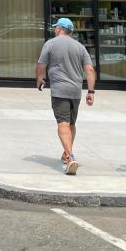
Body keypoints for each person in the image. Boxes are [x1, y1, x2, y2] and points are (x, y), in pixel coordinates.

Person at [36, 17, 96, 175]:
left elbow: (41, 65)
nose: (55, 30)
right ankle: (66, 152)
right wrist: (91, 91)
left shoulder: (50, 43)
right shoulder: (80, 47)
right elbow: (89, 70)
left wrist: (40, 79)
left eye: (56, 27)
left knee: (62, 123)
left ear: (59, 29)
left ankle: (70, 157)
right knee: (71, 124)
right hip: (76, 91)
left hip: (59, 90)